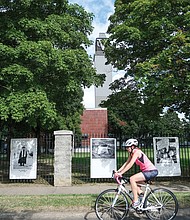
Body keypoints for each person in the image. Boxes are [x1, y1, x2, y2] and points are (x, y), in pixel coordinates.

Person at [114, 138, 158, 208]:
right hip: (146, 172)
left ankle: (136, 201)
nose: (126, 149)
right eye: (126, 147)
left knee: (132, 179)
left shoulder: (137, 152)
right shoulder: (131, 153)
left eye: (128, 147)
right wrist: (118, 171)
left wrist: (121, 173)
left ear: (133, 146)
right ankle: (144, 201)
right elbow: (126, 163)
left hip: (151, 171)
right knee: (135, 184)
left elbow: (131, 164)